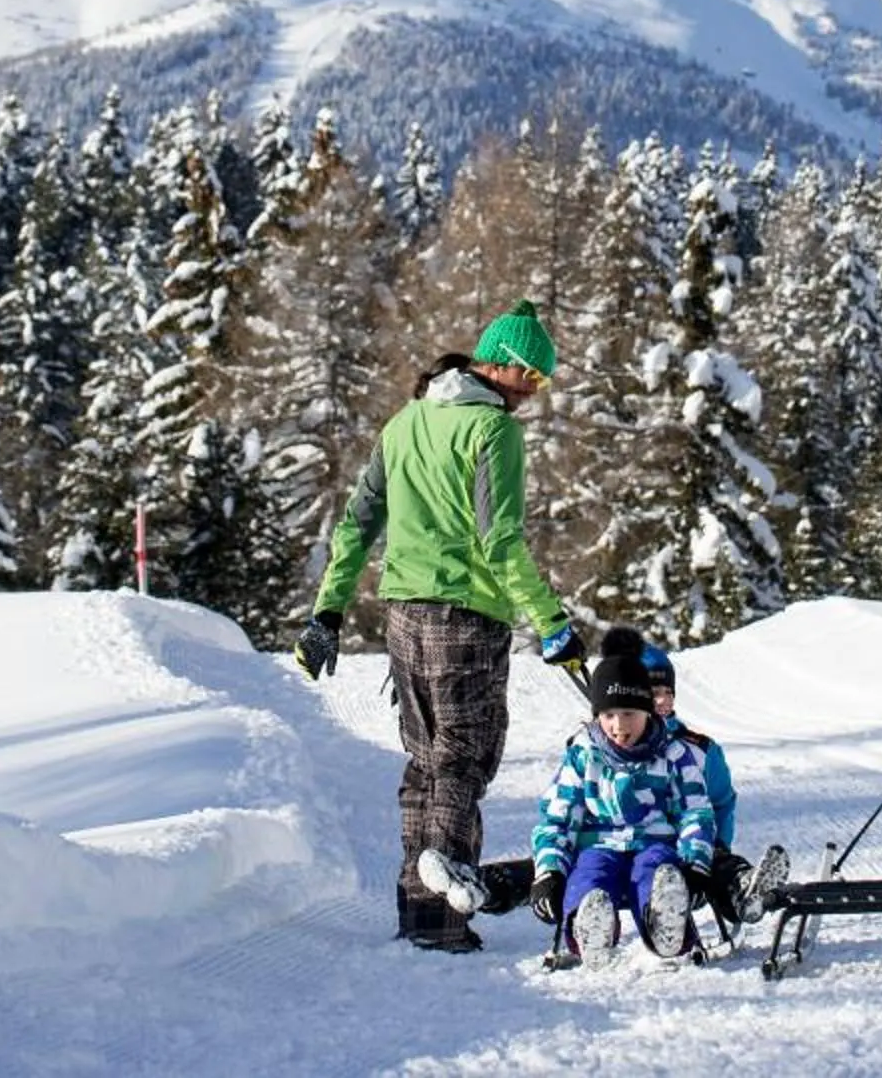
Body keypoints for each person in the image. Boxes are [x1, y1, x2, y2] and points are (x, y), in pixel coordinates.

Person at [294, 300, 581, 953]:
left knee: (425, 762)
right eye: (532, 377)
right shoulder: (493, 432)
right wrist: (552, 622)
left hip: (401, 615)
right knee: (463, 757)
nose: (534, 393)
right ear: (501, 364)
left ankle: (419, 912)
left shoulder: (403, 424)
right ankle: (446, 905)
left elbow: (357, 525)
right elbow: (500, 539)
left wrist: (328, 615)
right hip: (466, 615)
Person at [527, 629, 718, 963]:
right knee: (588, 876)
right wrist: (549, 871)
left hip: (655, 846)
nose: (618, 725)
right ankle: (589, 930)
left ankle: (666, 929)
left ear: (648, 711)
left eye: (629, 713)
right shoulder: (584, 754)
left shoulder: (673, 754)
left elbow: (695, 812)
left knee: (657, 874)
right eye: (609, 715)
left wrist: (696, 863)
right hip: (598, 846)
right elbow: (558, 816)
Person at [637, 638, 785, 932]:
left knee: (717, 862)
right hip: (643, 847)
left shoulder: (701, 750)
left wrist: (720, 844)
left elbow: (721, 802)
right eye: (654, 693)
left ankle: (743, 888)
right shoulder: (617, 753)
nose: (664, 700)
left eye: (669, 692)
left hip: (694, 845)